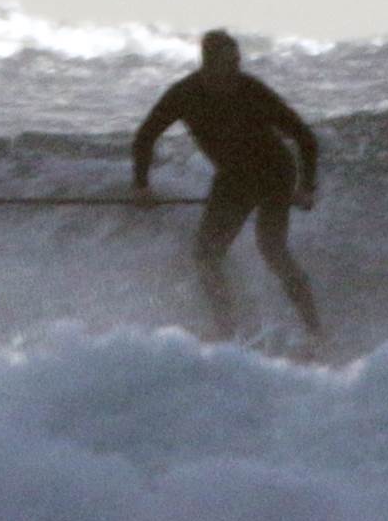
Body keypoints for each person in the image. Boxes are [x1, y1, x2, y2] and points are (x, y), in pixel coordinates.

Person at [132, 29, 324, 340]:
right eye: (229, 65)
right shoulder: (184, 94)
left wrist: (306, 187)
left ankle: (315, 331)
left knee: (272, 249)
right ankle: (227, 329)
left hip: (275, 172)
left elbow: (305, 137)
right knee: (206, 255)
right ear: (208, 66)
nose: (236, 71)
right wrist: (141, 185)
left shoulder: (252, 91)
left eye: (237, 63)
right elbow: (145, 136)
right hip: (234, 179)